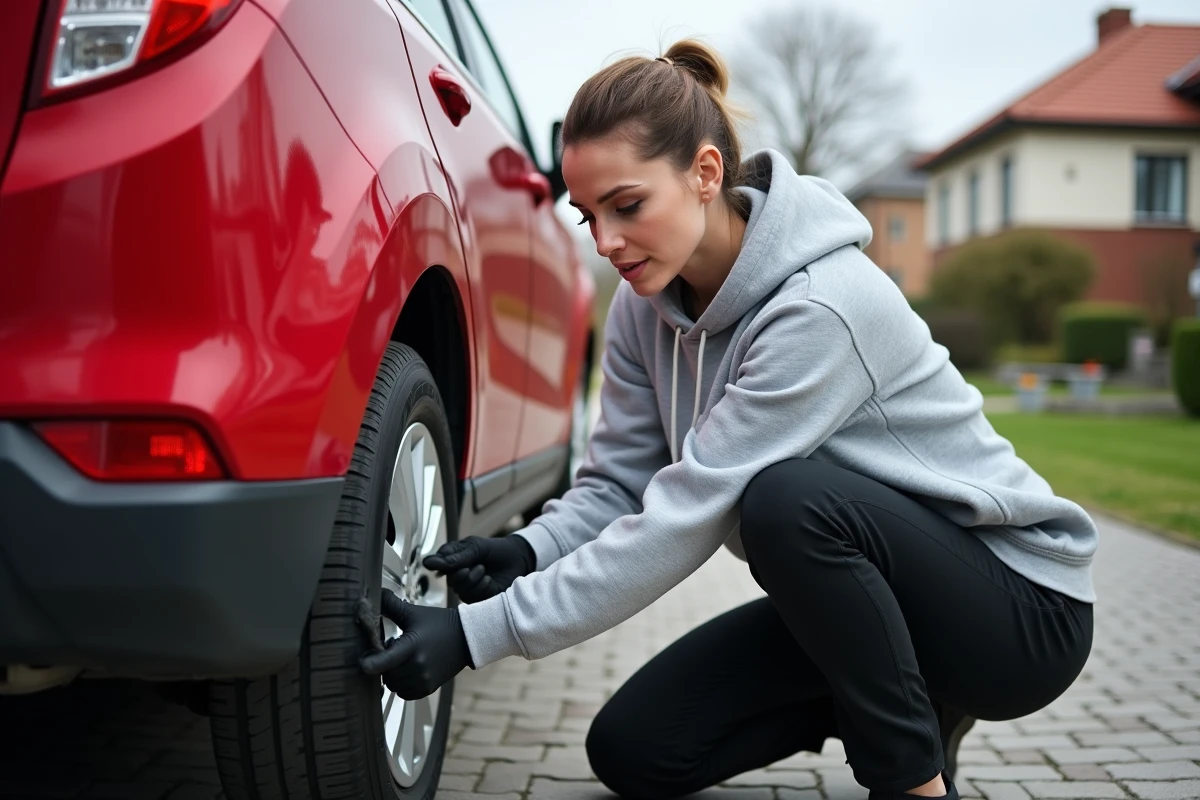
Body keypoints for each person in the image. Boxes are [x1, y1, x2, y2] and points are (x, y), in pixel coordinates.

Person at [359, 39, 1096, 800]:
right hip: (877, 603)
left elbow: (685, 516)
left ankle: (913, 780)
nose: (606, 242)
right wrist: (530, 549)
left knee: (784, 501)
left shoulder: (819, 308)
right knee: (635, 750)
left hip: (1019, 615)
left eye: (627, 206)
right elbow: (620, 483)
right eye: (588, 216)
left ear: (706, 174)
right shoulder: (644, 307)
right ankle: (907, 704)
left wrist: (475, 635)